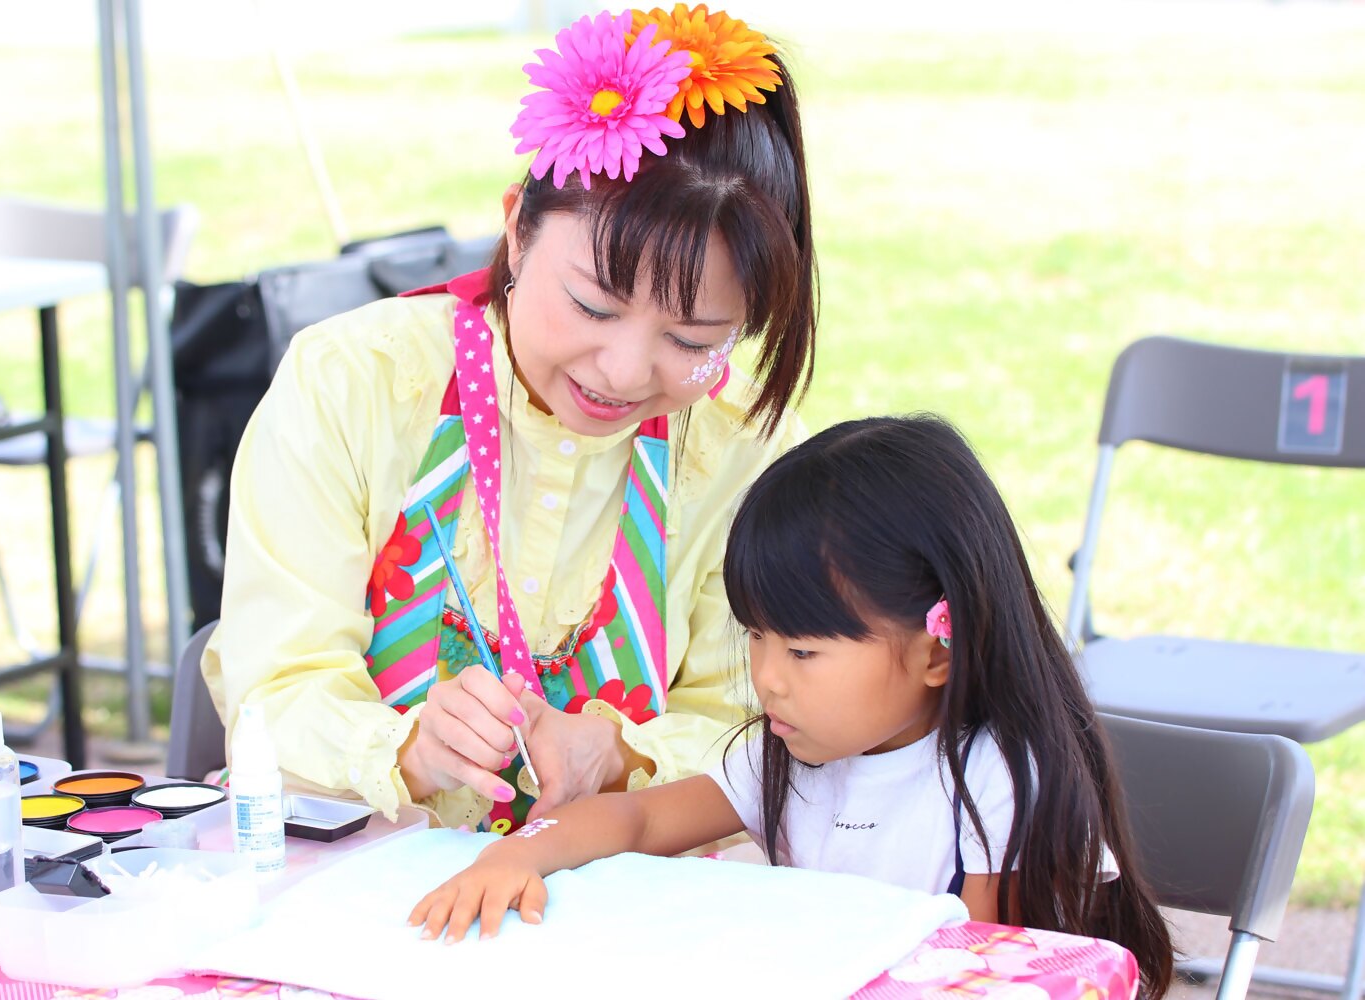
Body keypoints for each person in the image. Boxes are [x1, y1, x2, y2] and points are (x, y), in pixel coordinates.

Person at [201, 5, 817, 834]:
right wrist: (406, 749)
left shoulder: (741, 452)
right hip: (363, 881)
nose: (624, 372)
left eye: (692, 340)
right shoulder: (357, 383)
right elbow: (273, 689)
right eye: (593, 305)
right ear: (517, 229)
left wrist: (621, 755)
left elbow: (767, 730)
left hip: (631, 892)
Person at [409, 415, 1174, 999]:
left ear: (938, 651)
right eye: (756, 637)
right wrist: (517, 855)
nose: (768, 679)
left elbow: (981, 972)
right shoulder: (790, 752)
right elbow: (636, 819)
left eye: (803, 652)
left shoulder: (1001, 780)